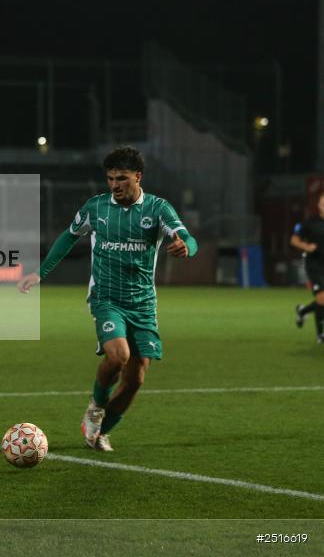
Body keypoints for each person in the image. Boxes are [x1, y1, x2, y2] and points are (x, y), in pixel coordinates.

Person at [18, 146, 198, 452]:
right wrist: (41, 272)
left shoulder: (157, 208)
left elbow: (188, 238)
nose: (115, 185)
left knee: (137, 378)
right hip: (106, 298)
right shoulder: (96, 207)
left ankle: (100, 432)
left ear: (138, 177)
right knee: (118, 356)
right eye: (111, 179)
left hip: (142, 303)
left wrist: (186, 248)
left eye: (122, 178)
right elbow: (69, 236)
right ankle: (96, 407)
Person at [291, 191, 324, 343]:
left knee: (322, 300)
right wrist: (306, 246)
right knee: (322, 298)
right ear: (319, 205)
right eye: (323, 203)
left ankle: (303, 311)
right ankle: (320, 335)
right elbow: (294, 240)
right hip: (314, 265)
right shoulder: (310, 223)